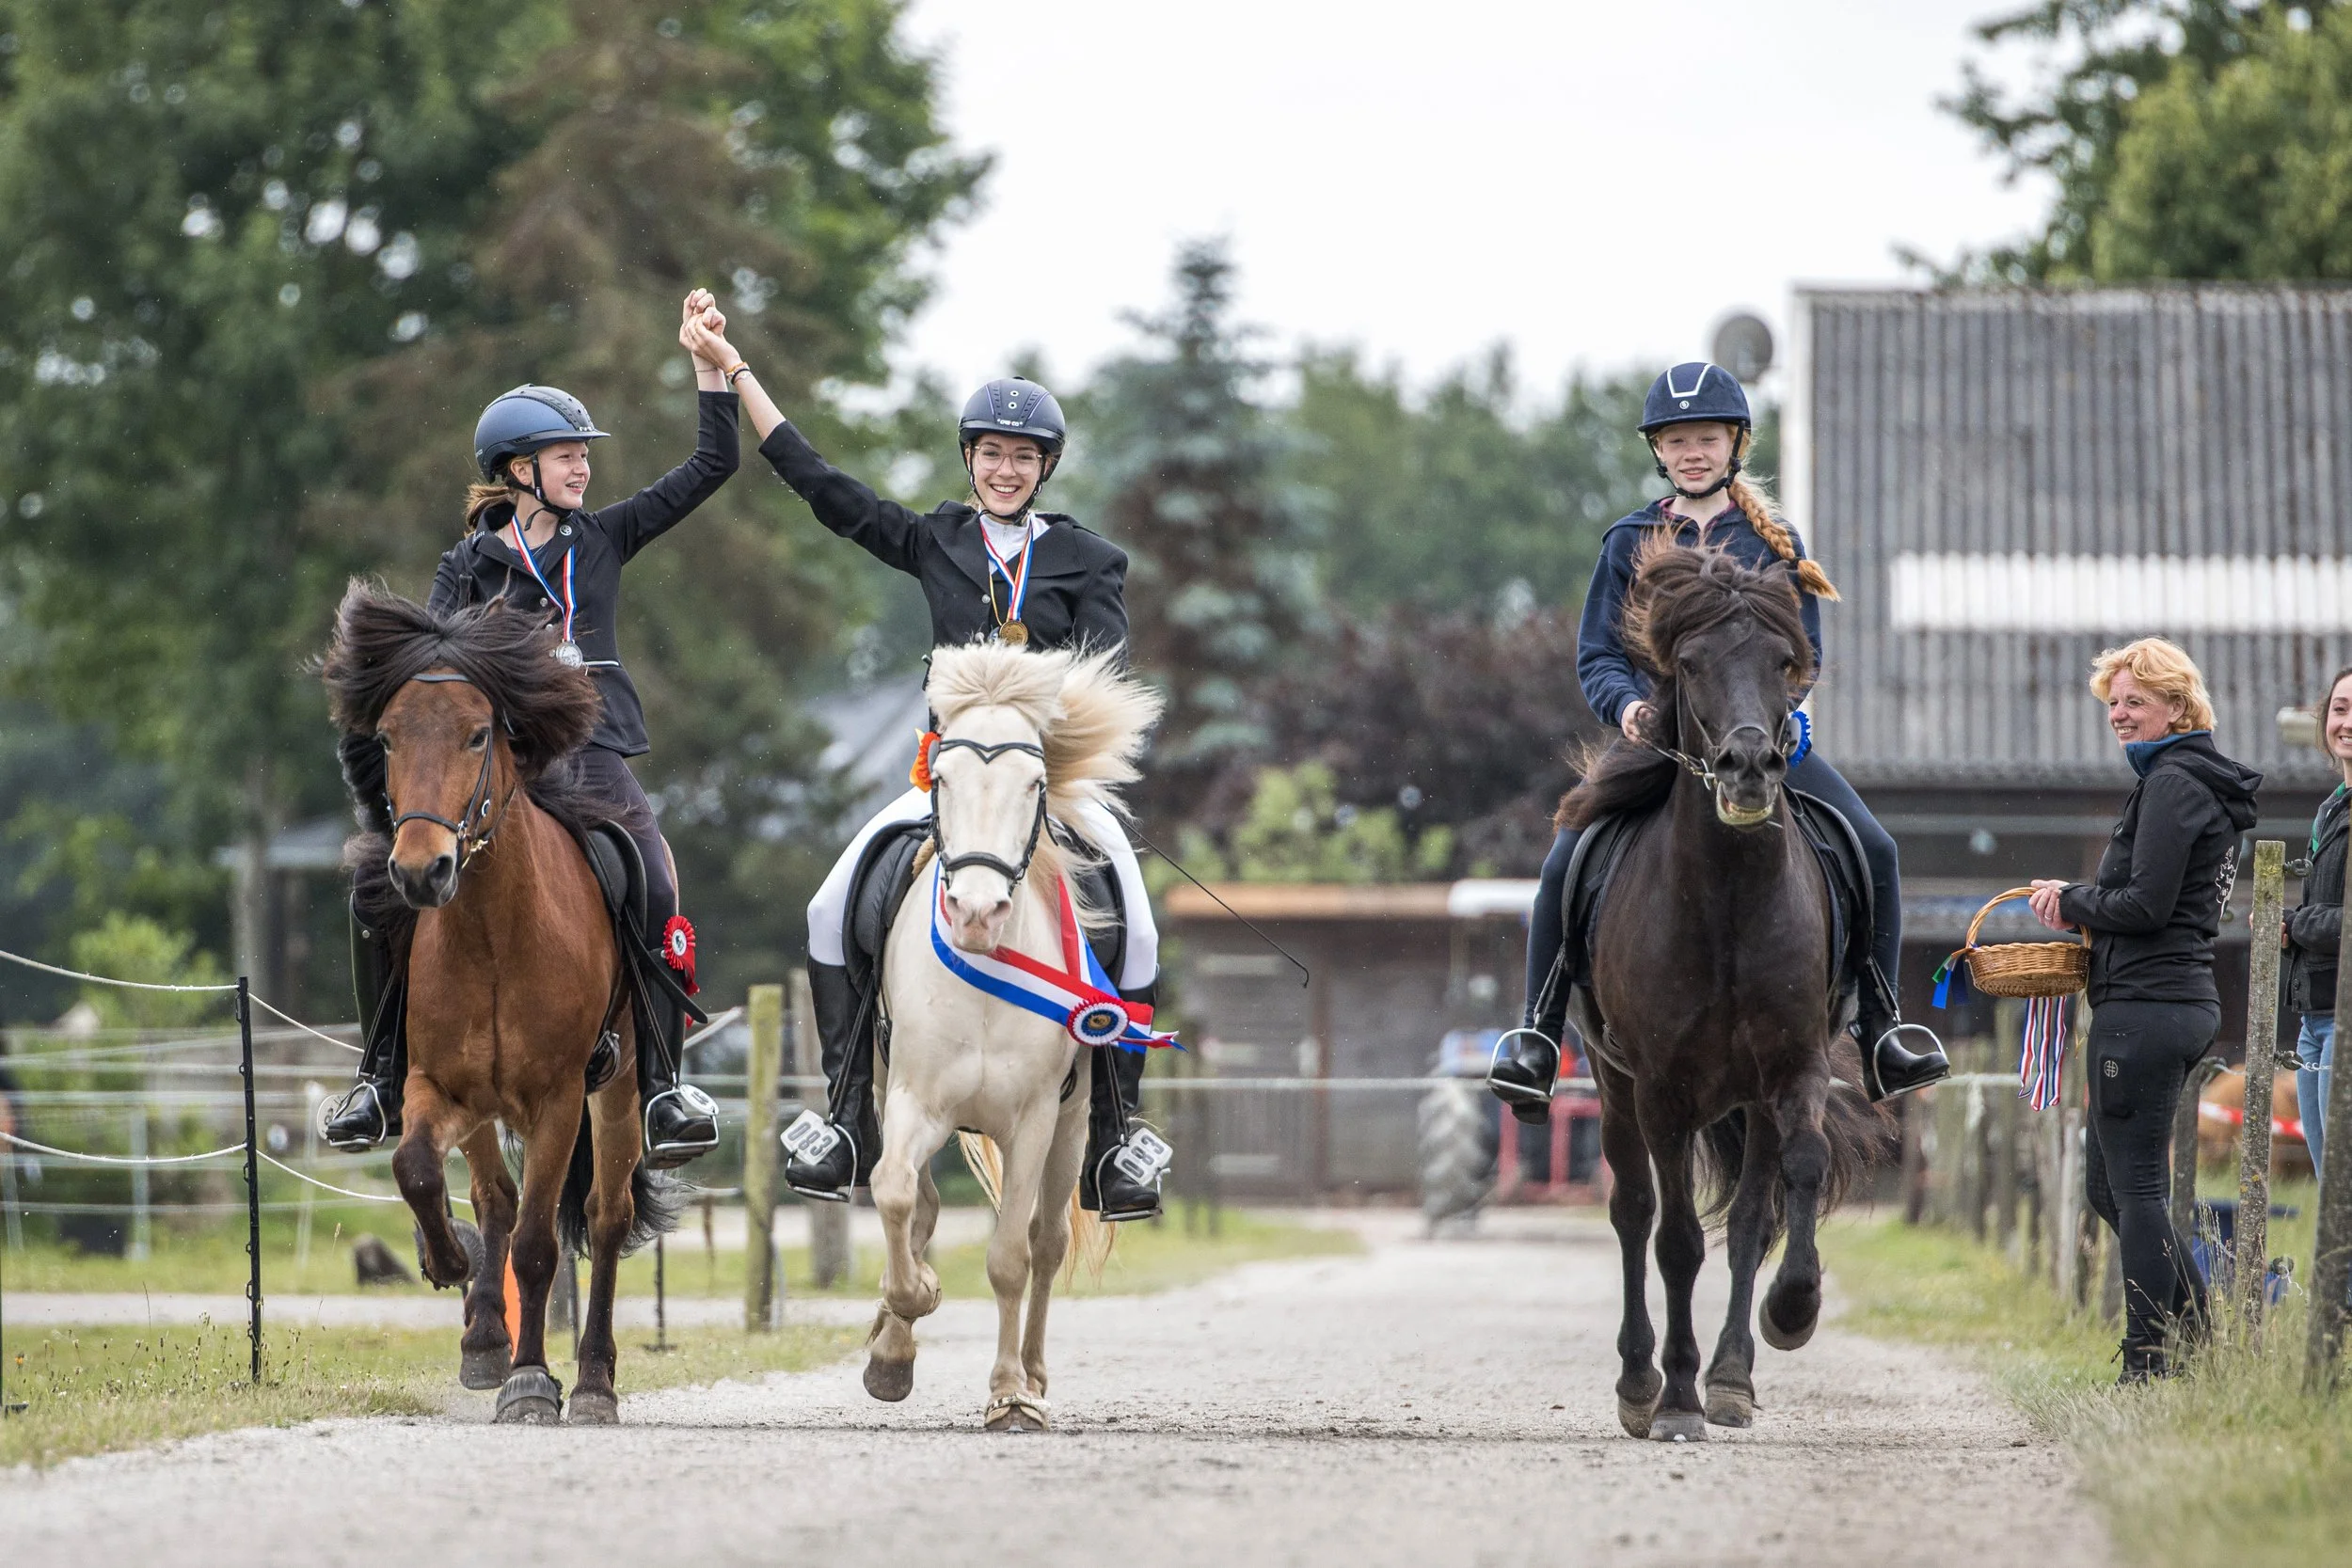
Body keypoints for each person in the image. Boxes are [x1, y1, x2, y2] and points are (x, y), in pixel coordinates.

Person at [680, 309, 1170, 1223]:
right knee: (833, 903)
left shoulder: (1089, 560)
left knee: (1134, 917)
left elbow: (1104, 672)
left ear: (1045, 468)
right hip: (940, 782)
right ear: (970, 458)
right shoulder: (933, 538)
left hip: (1042, 789)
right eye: (991, 452)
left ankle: (1116, 1130)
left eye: (1023, 457)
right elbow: (823, 486)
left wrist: (1029, 723)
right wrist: (738, 371)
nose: (1005, 469)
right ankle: (842, 1114)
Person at [320, 291, 739, 1168]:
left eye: (584, 455)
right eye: (565, 456)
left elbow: (712, 464)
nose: (582, 470)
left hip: (594, 757)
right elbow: (426, 670)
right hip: (499, 770)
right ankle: (377, 1072)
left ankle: (661, 1083)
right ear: (517, 469)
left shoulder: (609, 536)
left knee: (654, 878)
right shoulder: (465, 564)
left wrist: (708, 368)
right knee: (377, 888)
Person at [1487, 361, 1950, 1110]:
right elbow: (1597, 656)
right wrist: (1630, 709)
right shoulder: (1630, 539)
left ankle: (1882, 1026)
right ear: (1659, 452)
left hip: (1761, 741)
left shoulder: (1773, 540)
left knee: (1875, 847)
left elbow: (1805, 653)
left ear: (1735, 443)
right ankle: (1539, 1033)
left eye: (1707, 437)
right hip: (1661, 741)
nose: (1693, 451)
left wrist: (1782, 710)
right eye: (1678, 441)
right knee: (1564, 861)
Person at [2027, 638, 2261, 1382]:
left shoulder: (2174, 784)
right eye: (2114, 703)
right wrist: (2084, 901)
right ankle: (2196, 1339)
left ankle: (2149, 1363)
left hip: (2147, 1005)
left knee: (2136, 1190)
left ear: (2178, 707)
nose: (2120, 714)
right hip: (2166, 1000)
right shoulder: (2186, 780)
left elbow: (2146, 903)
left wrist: (2071, 901)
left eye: (2135, 701)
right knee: (2112, 1187)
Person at [2287, 664, 2352, 1178]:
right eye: (2340, 708)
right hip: (2315, 1016)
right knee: (2329, 1178)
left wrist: (2297, 924)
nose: (2347, 722)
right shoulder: (2331, 808)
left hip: (2347, 1017)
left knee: (2343, 1182)